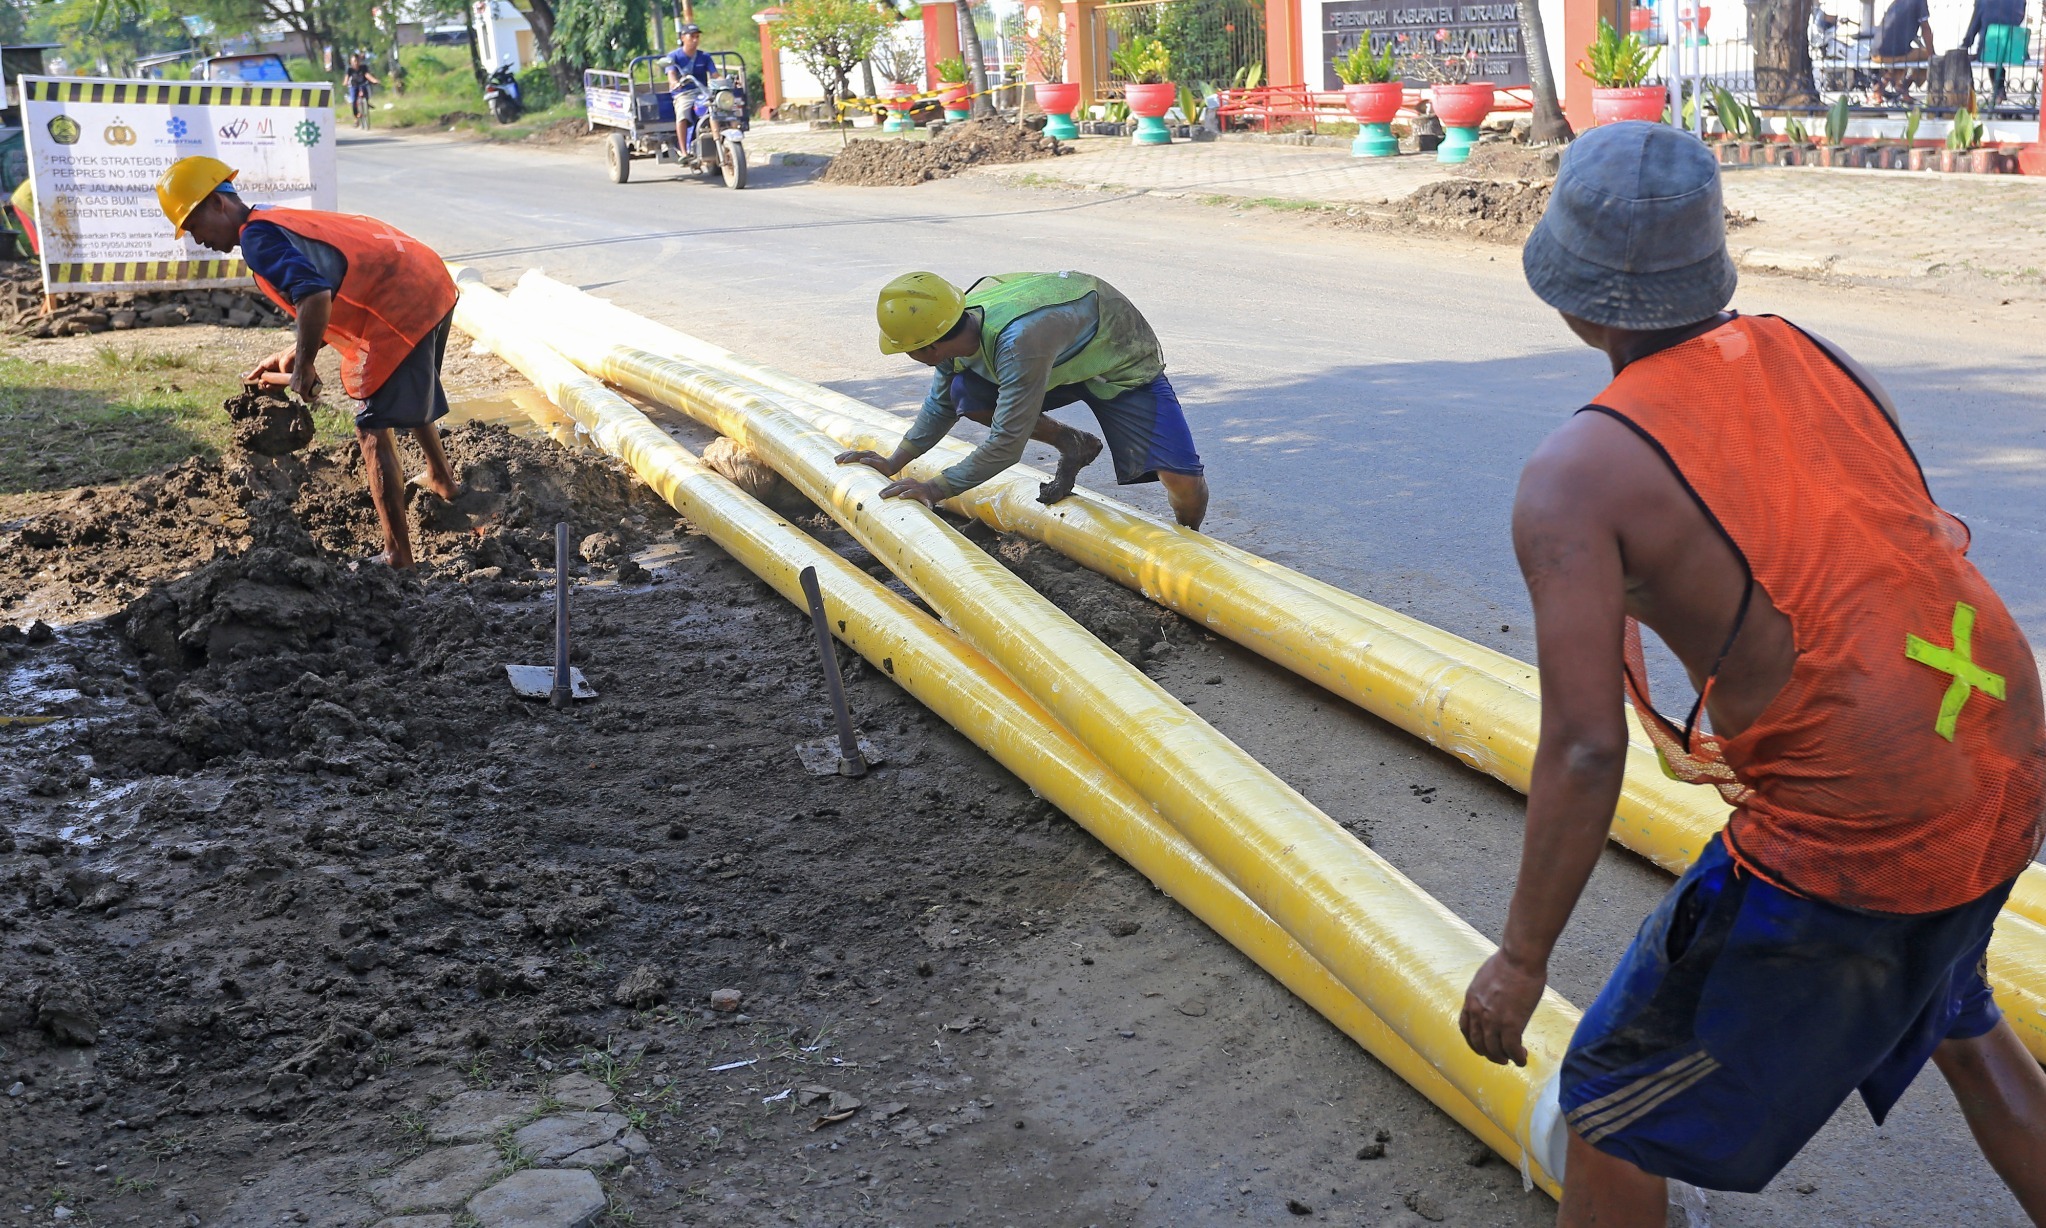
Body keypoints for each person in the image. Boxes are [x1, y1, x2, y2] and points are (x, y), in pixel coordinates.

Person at [1458, 122, 2046, 1226]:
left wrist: (1521, 959)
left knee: (1611, 1106)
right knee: (1955, 1013)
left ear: (1573, 296)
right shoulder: (1811, 353)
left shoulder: (1580, 473)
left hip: (1858, 835)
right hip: (2000, 762)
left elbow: (1587, 746)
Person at [153, 155, 462, 570]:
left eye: (194, 226)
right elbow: (330, 286)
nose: (197, 238)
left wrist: (303, 369)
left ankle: (397, 556)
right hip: (424, 278)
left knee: (371, 424)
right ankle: (441, 479)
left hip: (404, 298)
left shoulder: (259, 241)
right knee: (398, 381)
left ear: (217, 204)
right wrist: (298, 353)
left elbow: (316, 296)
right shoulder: (269, 221)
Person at [838, 271, 1209, 529]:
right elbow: (941, 405)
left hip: (1117, 361)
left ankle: (1189, 540)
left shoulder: (1018, 343)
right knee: (965, 391)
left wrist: (934, 489)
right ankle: (1074, 444)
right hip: (1055, 356)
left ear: (928, 348)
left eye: (907, 350)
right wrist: (893, 462)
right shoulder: (951, 325)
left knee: (1182, 481)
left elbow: (1005, 445)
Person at [663, 23, 719, 156]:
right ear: (683, 38)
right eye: (692, 36)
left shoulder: (705, 57)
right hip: (683, 93)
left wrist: (725, 81)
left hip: (702, 92)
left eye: (697, 37)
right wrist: (675, 82)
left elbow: (715, 75)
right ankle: (684, 151)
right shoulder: (673, 56)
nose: (695, 40)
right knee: (682, 114)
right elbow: (671, 74)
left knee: (720, 107)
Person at [1964, 0, 2029, 106]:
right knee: (1997, 52)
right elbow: (2019, 18)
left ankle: (1973, 96)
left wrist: (1966, 44)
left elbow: (1975, 23)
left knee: (1990, 53)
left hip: (1990, 49)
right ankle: (1999, 90)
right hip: (2014, 48)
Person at [1872, 0, 1934, 103]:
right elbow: (1925, 28)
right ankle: (1904, 86)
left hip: (1876, 52)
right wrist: (1932, 54)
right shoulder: (1919, 2)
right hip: (1893, 52)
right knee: (1926, 57)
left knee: (1903, 59)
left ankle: (1879, 90)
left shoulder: (1898, 2)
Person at [345, 53, 379, 126]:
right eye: (354, 61)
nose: (356, 63)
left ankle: (366, 102)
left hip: (363, 84)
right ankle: (356, 118)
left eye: (357, 61)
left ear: (359, 61)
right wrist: (345, 82)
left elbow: (367, 75)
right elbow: (347, 77)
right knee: (354, 100)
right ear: (351, 62)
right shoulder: (350, 69)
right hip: (353, 85)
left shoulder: (364, 67)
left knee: (365, 91)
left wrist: (374, 80)